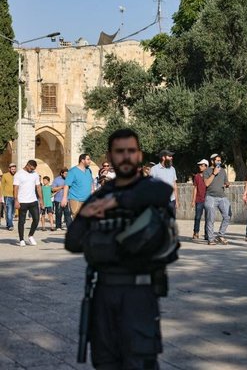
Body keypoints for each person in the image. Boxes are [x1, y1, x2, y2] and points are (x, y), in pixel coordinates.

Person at [65, 128, 177, 370]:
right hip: (105, 293)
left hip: (140, 294)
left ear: (139, 155)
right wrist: (87, 212)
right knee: (105, 362)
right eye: (119, 151)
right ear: (110, 156)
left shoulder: (151, 189)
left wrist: (115, 202)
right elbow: (72, 241)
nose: (125, 156)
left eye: (131, 151)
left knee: (139, 362)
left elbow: (162, 192)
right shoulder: (100, 196)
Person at [13, 160, 44, 246]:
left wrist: (41, 200)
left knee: (36, 219)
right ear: (27, 165)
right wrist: (16, 200)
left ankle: (30, 235)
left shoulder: (35, 174)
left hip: (33, 200)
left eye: (33, 169)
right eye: (31, 168)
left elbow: (38, 187)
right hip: (22, 201)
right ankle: (21, 239)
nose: (31, 170)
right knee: (21, 221)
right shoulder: (18, 174)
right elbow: (15, 188)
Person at [204, 154, 230, 245]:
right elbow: (206, 184)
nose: (219, 162)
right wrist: (214, 173)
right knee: (210, 218)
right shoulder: (207, 171)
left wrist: (227, 184)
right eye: (217, 160)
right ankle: (211, 239)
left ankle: (220, 235)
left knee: (227, 216)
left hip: (222, 197)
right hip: (210, 197)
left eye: (220, 160)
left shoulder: (223, 171)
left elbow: (226, 182)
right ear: (212, 161)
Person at [61, 154, 94, 219]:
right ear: (82, 160)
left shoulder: (89, 170)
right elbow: (67, 185)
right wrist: (64, 198)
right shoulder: (72, 171)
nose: (90, 161)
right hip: (75, 199)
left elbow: (91, 183)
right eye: (88, 159)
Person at [150, 150, 179, 217]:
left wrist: (177, 201)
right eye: (169, 156)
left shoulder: (172, 169)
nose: (172, 158)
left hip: (172, 200)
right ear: (163, 157)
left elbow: (174, 185)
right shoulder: (154, 169)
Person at [191, 159, 208, 240]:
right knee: (197, 217)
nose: (200, 167)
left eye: (202, 165)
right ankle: (196, 232)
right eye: (199, 165)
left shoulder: (210, 176)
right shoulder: (197, 176)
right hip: (199, 200)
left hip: (208, 199)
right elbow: (195, 188)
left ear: (206, 166)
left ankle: (207, 234)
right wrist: (193, 201)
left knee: (208, 218)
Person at [2, 163, 16, 231]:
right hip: (7, 196)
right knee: (9, 211)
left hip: (15, 196)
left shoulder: (16, 176)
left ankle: (8, 224)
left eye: (14, 169)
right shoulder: (5, 175)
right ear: (9, 169)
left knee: (12, 212)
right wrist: (1, 196)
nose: (13, 170)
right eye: (12, 169)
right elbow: (2, 186)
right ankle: (10, 225)